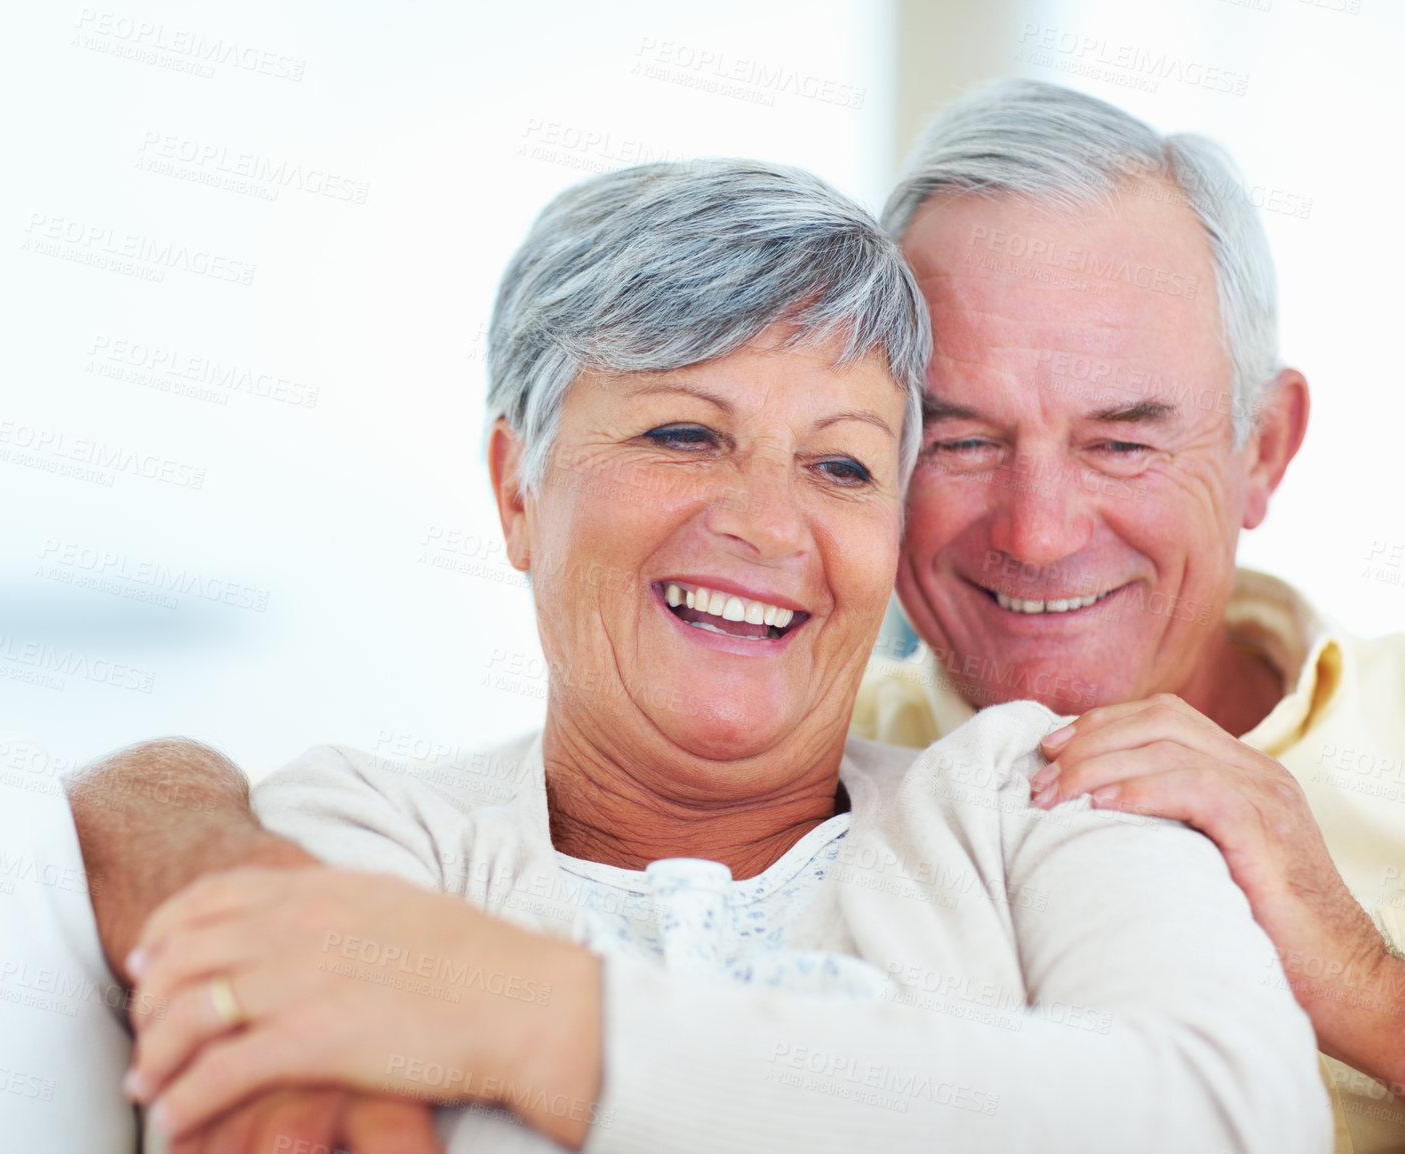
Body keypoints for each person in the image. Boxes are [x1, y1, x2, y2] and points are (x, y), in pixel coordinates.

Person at [70, 158, 1328, 1153]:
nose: (764, 523)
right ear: (519, 486)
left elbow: (1233, 1118)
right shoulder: (369, 822)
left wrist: (531, 1018)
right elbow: (306, 1111)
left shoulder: (1038, 796)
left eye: (841, 464)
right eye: (681, 433)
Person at [848, 79, 1405, 1154]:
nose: (1039, 532)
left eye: (1122, 442)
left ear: (1262, 448)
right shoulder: (788, 771)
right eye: (961, 440)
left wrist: (1360, 979)